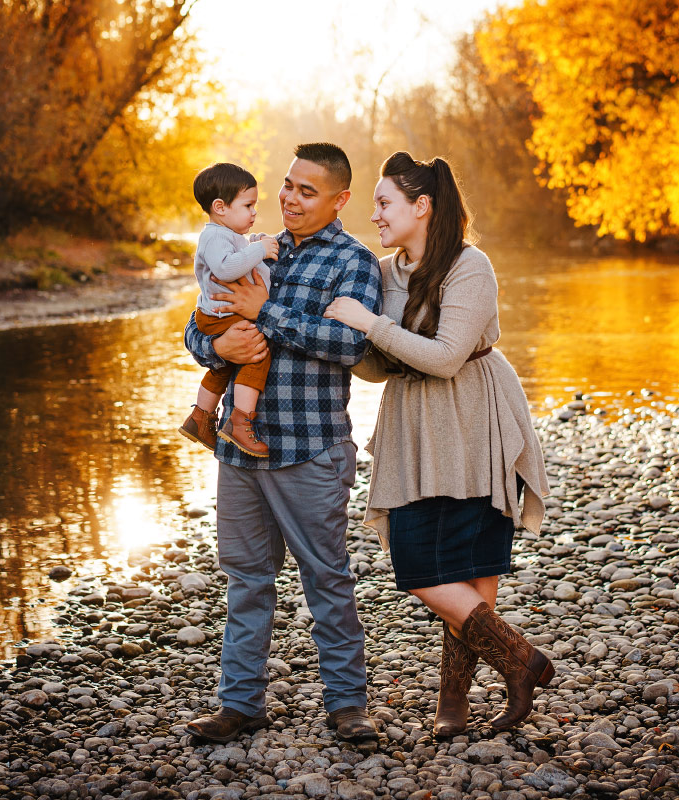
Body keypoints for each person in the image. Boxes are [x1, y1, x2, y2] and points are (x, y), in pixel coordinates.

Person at [323, 151, 551, 736]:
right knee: (419, 563)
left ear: (421, 206)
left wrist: (370, 324)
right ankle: (521, 661)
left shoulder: (470, 266)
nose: (373, 214)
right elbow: (381, 365)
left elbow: (448, 357)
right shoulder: (384, 270)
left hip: (474, 419)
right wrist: (353, 336)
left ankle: (456, 702)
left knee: (474, 572)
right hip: (411, 424)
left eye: (383, 202)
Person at [181, 143, 383, 743]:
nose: (290, 199)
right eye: (288, 185)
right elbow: (199, 325)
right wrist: (218, 349)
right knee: (246, 579)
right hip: (239, 451)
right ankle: (239, 703)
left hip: (310, 447)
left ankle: (348, 706)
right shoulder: (250, 244)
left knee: (326, 577)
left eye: (308, 191)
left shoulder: (354, 263)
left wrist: (266, 312)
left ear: (340, 199)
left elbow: (349, 346)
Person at [178, 162, 280, 457]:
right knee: (257, 354)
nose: (254, 212)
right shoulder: (213, 237)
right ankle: (239, 420)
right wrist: (259, 250)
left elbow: (239, 256)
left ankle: (200, 417)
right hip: (221, 316)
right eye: (248, 205)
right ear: (220, 207)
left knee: (222, 366)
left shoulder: (227, 235)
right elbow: (225, 267)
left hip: (220, 315)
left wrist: (255, 243)